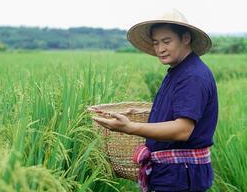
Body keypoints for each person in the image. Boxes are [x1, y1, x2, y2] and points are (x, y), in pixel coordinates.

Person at [90, 10, 218, 192]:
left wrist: (129, 128)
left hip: (180, 177)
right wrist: (135, 115)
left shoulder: (192, 76)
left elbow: (182, 129)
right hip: (172, 174)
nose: (160, 49)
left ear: (186, 38)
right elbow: (174, 112)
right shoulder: (179, 70)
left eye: (167, 41)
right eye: (156, 43)